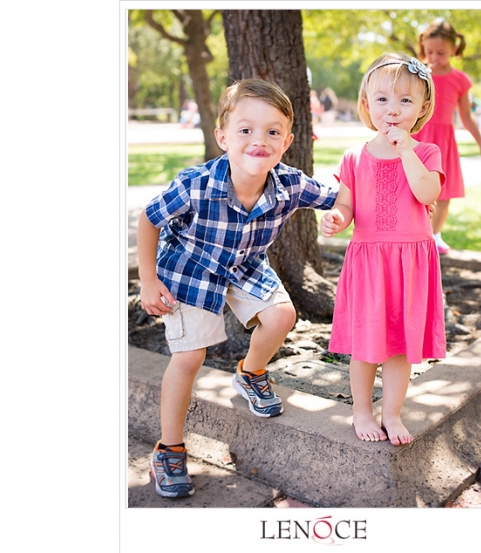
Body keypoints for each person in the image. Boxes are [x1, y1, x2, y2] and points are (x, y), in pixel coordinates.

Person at [138, 79, 339, 498]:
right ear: (223, 137)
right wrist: (149, 281)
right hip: (190, 269)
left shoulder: (289, 184)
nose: (259, 140)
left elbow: (338, 195)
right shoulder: (196, 184)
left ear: (287, 142)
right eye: (245, 129)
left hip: (244, 266)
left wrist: (348, 211)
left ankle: (250, 373)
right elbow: (149, 219)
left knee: (282, 315)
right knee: (189, 357)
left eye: (272, 131)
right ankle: (169, 449)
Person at [320, 53, 447, 446]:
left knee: (399, 346)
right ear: (366, 104)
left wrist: (405, 150)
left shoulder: (426, 153)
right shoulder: (354, 156)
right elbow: (346, 204)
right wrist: (338, 218)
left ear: (422, 107)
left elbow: (427, 193)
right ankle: (361, 410)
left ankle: (391, 413)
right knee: (365, 343)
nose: (393, 109)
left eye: (405, 100)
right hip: (370, 263)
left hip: (410, 264)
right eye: (382, 100)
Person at [412, 19, 481, 254]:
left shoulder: (460, 79)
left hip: (444, 141)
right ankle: (416, 234)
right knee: (414, 186)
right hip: (419, 136)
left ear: (454, 50)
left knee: (444, 191)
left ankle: (435, 235)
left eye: (441, 52)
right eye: (429, 52)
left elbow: (466, 115)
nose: (434, 57)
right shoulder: (418, 73)